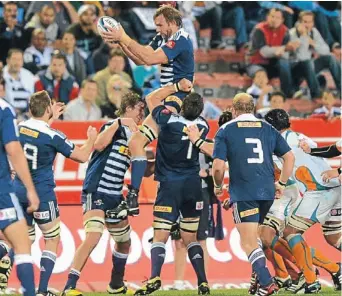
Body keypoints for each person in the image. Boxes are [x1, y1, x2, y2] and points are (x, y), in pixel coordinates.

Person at [99, 5, 194, 216]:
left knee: (165, 150)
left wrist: (124, 35)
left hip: (180, 98)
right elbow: (141, 59)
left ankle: (176, 204)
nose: (158, 29)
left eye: (160, 25)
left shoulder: (181, 39)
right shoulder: (163, 37)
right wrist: (121, 43)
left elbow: (150, 59)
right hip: (165, 96)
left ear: (172, 22)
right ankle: (133, 195)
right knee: (136, 142)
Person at [10, 90, 98, 296]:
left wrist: (51, 118)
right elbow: (83, 156)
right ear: (48, 108)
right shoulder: (53, 136)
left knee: (22, 240)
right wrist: (91, 139)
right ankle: (41, 290)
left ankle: (6, 264)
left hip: (18, 191)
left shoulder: (20, 127)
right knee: (51, 238)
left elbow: (37, 132)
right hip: (41, 194)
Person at [61, 92, 146, 296]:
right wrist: (119, 121)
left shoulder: (137, 135)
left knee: (124, 242)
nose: (142, 112)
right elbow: (98, 145)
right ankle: (69, 287)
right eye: (139, 108)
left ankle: (116, 285)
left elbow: (141, 165)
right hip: (97, 189)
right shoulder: (112, 125)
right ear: (127, 108)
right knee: (93, 236)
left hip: (115, 194)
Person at [212, 93, 295, 296]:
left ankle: (267, 283)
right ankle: (259, 282)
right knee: (255, 238)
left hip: (244, 191)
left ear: (233, 109)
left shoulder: (226, 129)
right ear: (253, 108)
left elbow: (217, 167)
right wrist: (281, 183)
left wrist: (217, 186)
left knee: (247, 242)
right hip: (266, 191)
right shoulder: (268, 128)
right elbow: (289, 157)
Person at [133, 79, 210, 295]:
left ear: (183, 106)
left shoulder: (168, 120)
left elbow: (151, 98)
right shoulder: (204, 125)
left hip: (170, 184)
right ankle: (202, 282)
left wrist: (176, 89)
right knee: (190, 238)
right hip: (194, 186)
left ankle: (155, 277)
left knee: (160, 235)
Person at [265, 109, 341, 292]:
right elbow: (325, 151)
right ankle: (337, 272)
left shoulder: (277, 142)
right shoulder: (301, 136)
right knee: (334, 237)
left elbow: (279, 168)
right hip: (334, 188)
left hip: (319, 191)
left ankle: (310, 281)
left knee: (290, 232)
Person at [0, 96, 40, 296]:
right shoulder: (3, 108)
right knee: (23, 245)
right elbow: (14, 150)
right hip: (1, 190)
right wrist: (30, 189)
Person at [248, 8, 300, 98]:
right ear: (267, 17)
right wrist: (284, 48)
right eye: (272, 16)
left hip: (274, 64)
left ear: (282, 20)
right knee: (260, 74)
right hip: (257, 63)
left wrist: (285, 50)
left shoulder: (285, 31)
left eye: (277, 17)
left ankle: (289, 93)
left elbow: (286, 55)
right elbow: (263, 52)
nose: (274, 20)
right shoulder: (259, 29)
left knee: (295, 64)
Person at [2, 49, 35, 118]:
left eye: (19, 59)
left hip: (26, 115)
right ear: (7, 60)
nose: (17, 62)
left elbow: (32, 98)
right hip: (5, 113)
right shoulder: (1, 75)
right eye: (14, 59)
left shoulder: (29, 76)